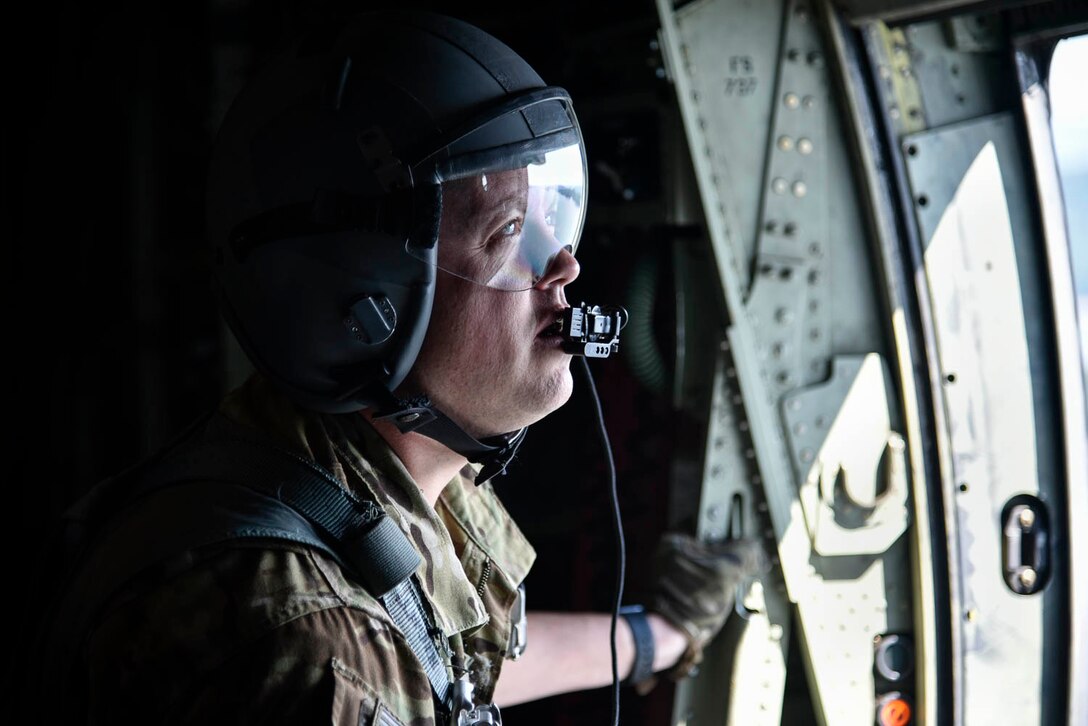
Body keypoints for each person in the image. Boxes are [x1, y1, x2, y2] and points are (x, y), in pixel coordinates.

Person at [30, 9, 766, 724]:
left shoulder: (313, 475)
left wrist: (655, 638)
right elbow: (364, 660)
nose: (564, 262)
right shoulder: (305, 647)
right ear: (365, 305)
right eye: (510, 232)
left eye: (553, 218)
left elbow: (440, 667)